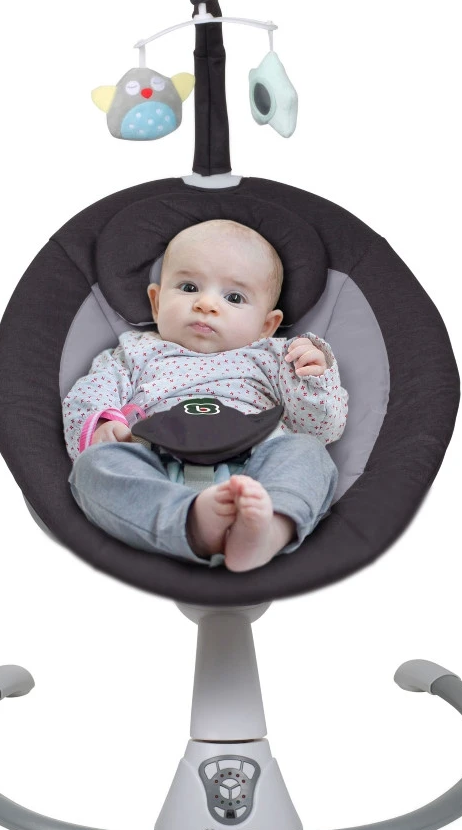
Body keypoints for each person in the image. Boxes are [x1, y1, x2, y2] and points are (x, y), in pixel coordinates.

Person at [63, 219, 348, 572]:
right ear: (156, 302)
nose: (206, 304)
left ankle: (270, 527)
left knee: (308, 452)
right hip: (156, 467)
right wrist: (103, 423)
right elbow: (90, 393)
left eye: (234, 297)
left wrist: (314, 378)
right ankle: (193, 524)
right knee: (93, 467)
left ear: (267, 325)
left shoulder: (276, 357)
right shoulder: (133, 353)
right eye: (188, 287)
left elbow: (321, 428)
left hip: (258, 470)